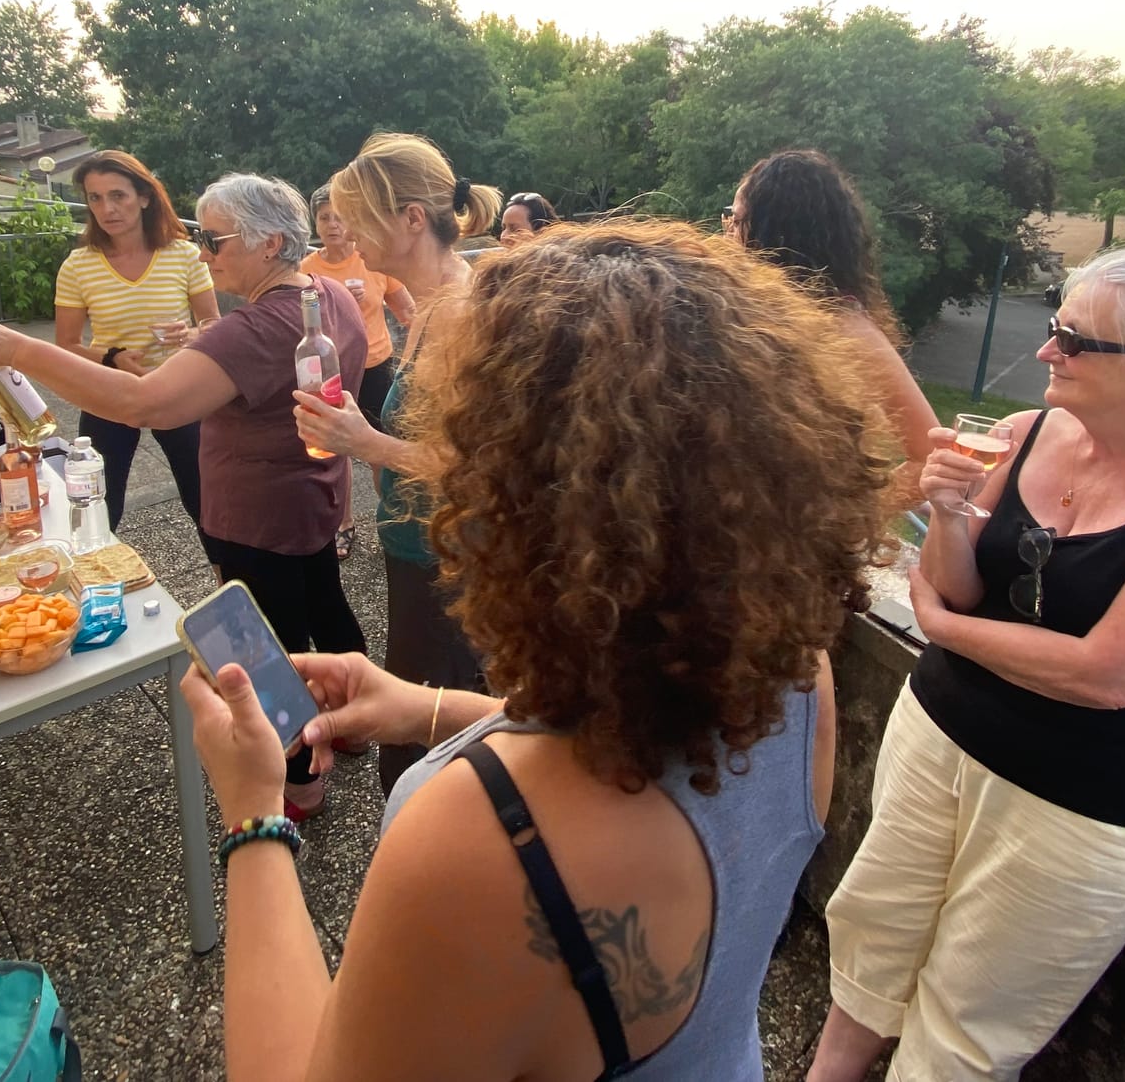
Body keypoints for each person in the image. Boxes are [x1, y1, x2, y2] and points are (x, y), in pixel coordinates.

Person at [183, 219, 900, 1082]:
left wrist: (253, 813)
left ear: (517, 503)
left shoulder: (480, 843)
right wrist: (430, 708)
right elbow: (642, 757)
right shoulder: (795, 674)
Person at [808, 239, 1125, 1082]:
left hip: (1080, 802)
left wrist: (945, 629)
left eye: (1079, 341)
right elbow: (958, 586)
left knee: (967, 1025)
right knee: (874, 928)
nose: (1049, 350)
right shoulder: (1024, 432)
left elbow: (1108, 674)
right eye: (1058, 327)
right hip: (940, 734)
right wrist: (945, 514)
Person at [0, 173, 365, 818]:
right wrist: (208, 353)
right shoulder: (326, 292)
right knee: (325, 607)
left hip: (255, 515)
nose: (202, 251)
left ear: (270, 242)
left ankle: (301, 779)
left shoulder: (252, 328)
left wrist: (16, 348)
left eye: (214, 237)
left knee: (267, 651)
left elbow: (145, 404)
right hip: (313, 496)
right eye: (199, 235)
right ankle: (359, 719)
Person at [292, 132, 502, 794]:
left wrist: (366, 442)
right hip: (419, 548)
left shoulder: (465, 314)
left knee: (416, 750)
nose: (343, 229)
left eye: (358, 215)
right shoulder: (431, 304)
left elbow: (478, 468)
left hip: (447, 559)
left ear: (412, 219)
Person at [728, 149, 937, 506]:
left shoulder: (845, 329)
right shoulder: (747, 313)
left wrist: (850, 519)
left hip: (790, 551)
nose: (727, 236)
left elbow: (931, 455)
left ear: (771, 234)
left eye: (736, 221)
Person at [54, 150, 220, 535]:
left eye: (118, 195)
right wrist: (111, 358)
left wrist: (191, 334)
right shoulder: (78, 265)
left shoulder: (183, 255)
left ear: (144, 197)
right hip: (110, 388)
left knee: (207, 502)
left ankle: (228, 587)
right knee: (98, 506)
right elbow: (66, 345)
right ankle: (95, 584)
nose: (107, 208)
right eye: (95, 198)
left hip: (178, 387)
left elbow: (213, 325)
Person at [300, 184, 416, 559]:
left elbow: (408, 311)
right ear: (314, 223)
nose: (333, 226)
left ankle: (393, 515)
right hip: (330, 370)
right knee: (334, 449)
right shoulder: (307, 269)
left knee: (381, 445)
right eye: (324, 218)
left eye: (339, 217)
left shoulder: (374, 260)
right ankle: (344, 523)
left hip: (376, 362)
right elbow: (298, 324)